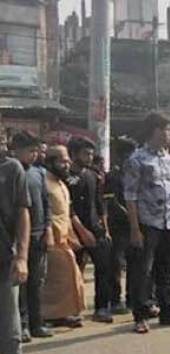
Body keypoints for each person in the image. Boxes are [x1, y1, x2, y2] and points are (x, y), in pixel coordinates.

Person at [123, 113, 170, 334]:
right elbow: (130, 196)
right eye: (166, 129)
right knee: (142, 271)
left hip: (168, 222)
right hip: (146, 222)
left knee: (166, 270)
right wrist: (134, 229)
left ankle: (166, 311)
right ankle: (140, 315)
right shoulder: (137, 159)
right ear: (155, 130)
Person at [66, 136, 115, 323]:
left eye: (91, 153)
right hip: (74, 230)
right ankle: (72, 309)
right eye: (85, 153)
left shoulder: (92, 175)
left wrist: (105, 229)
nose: (89, 157)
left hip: (95, 228)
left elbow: (99, 203)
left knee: (104, 269)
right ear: (73, 154)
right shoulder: (66, 177)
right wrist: (80, 231)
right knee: (74, 271)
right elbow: (67, 207)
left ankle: (102, 308)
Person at [10, 133, 52, 341]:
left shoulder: (39, 173)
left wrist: (48, 229)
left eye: (36, 151)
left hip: (39, 234)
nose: (34, 155)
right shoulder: (11, 172)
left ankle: (37, 322)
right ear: (15, 150)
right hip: (18, 237)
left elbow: (46, 202)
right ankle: (23, 324)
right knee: (21, 284)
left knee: (37, 281)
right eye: (29, 151)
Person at [41, 146, 86, 327]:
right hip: (50, 239)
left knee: (69, 278)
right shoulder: (42, 182)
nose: (66, 165)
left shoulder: (60, 183)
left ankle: (62, 314)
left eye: (67, 160)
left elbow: (66, 213)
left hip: (64, 239)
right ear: (50, 162)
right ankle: (48, 316)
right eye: (62, 161)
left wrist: (74, 235)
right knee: (54, 283)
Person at [0, 145, 30, 354]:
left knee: (8, 327)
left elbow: (23, 214)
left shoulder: (11, 169)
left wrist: (22, 257)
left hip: (4, 260)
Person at [104, 136, 138, 313]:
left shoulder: (136, 174)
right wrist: (129, 215)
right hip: (118, 225)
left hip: (135, 225)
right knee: (115, 263)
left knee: (135, 262)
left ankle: (133, 298)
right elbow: (111, 201)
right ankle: (115, 299)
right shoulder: (112, 176)